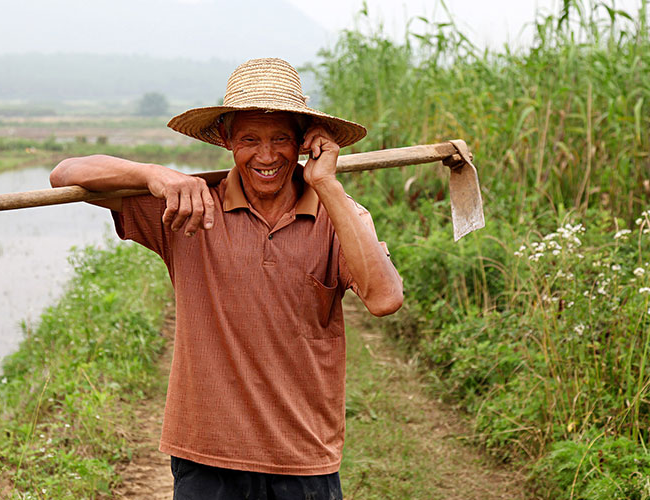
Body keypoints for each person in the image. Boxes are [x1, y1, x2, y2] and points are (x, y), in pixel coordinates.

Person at [49, 57, 403, 500]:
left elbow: (385, 298)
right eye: (249, 139)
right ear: (225, 139)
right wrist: (154, 174)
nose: (267, 155)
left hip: (303, 455)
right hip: (205, 454)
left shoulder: (341, 217)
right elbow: (64, 174)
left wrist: (328, 185)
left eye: (280, 139)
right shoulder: (188, 208)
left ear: (303, 143)